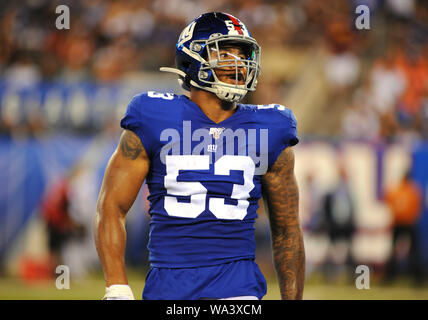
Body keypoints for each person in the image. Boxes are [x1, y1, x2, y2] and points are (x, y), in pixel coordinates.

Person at [94, 12, 305, 300]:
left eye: (243, 55)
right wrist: (116, 287)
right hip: (165, 289)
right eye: (226, 53)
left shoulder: (271, 127)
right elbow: (111, 207)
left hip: (238, 290)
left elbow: (287, 229)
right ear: (194, 58)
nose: (239, 63)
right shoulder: (153, 115)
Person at [383, 168, 424, 284]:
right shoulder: (413, 191)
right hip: (408, 223)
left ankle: (390, 276)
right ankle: (417, 278)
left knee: (394, 251)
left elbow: (390, 204)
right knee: (414, 251)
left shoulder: (396, 190)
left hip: (399, 222)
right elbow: (417, 208)